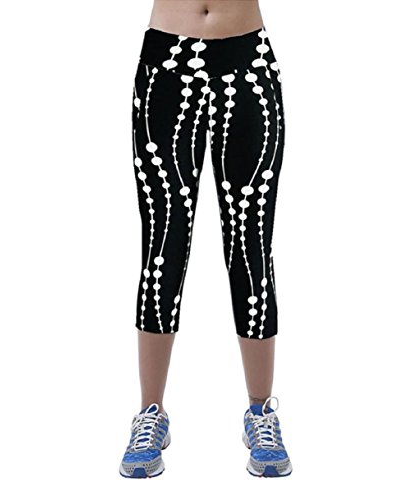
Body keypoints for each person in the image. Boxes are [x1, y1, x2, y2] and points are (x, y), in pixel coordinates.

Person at [120, 0, 291, 478]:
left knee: (252, 240)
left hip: (248, 60)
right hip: (165, 64)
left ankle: (261, 412)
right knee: (163, 243)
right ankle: (150, 413)